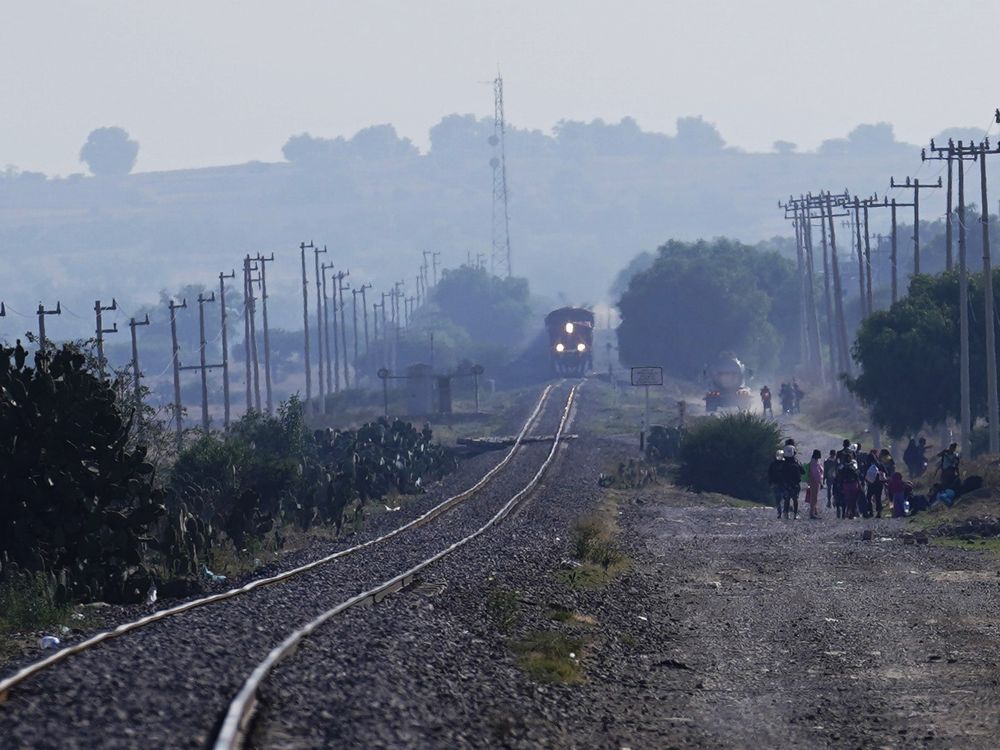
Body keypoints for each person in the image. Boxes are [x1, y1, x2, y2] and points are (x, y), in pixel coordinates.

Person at [781, 442, 803, 520]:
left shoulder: (783, 463)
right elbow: (803, 471)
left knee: (786, 499)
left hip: (786, 484)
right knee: (795, 499)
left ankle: (786, 514)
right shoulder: (796, 463)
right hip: (795, 484)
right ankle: (795, 514)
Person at [863, 449, 887, 518]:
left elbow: (865, 475)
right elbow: (886, 473)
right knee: (878, 498)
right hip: (879, 484)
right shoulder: (880, 464)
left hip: (871, 484)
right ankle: (879, 512)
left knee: (868, 497)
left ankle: (870, 511)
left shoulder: (867, 466)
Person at [768, 449, 786, 520]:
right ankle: (780, 512)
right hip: (778, 484)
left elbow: (770, 474)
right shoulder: (774, 464)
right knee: (779, 499)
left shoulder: (782, 464)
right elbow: (770, 474)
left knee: (781, 498)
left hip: (781, 484)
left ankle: (781, 512)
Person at [806, 449, 823, 519]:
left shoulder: (813, 461)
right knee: (814, 498)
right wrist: (820, 482)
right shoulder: (814, 463)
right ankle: (812, 513)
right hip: (814, 482)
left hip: (812, 481)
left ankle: (814, 511)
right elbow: (816, 474)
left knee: (813, 496)